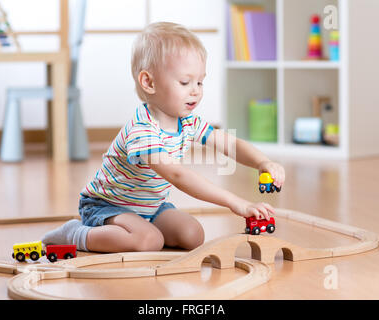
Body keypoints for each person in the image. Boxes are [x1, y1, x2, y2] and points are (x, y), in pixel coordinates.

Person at [42, 22, 285, 253]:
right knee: (148, 240)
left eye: (200, 82)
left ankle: (142, 226)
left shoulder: (188, 121)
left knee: (192, 235)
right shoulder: (142, 129)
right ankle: (74, 234)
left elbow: (228, 143)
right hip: (107, 207)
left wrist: (263, 162)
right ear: (149, 82)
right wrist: (236, 202)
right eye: (185, 82)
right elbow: (177, 175)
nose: (196, 91)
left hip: (150, 207)